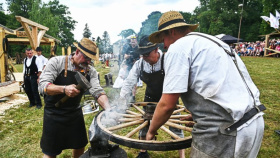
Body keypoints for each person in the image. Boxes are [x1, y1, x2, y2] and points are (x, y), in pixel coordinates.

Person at [146, 11, 265, 158]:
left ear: (172, 31)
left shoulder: (178, 47)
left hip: (224, 131)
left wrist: (151, 131)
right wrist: (202, 112)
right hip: (254, 122)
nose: (164, 45)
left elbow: (167, 105)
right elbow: (221, 83)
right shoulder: (213, 42)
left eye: (163, 39)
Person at [38, 38, 111, 158]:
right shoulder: (57, 62)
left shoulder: (90, 71)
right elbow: (43, 86)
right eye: (86, 58)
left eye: (90, 59)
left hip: (74, 113)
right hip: (54, 113)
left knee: (79, 145)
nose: (88, 62)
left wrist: (108, 109)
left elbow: (97, 91)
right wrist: (64, 89)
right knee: (50, 151)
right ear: (77, 52)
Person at [120, 35, 185, 158]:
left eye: (147, 54)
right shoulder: (140, 64)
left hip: (169, 98)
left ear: (156, 50)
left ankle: (182, 156)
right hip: (150, 98)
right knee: (145, 125)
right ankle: (143, 152)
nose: (144, 57)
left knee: (177, 128)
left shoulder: (167, 60)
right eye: (142, 54)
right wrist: (122, 98)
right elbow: (129, 81)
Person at [121, 35, 140, 102]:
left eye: (134, 41)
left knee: (134, 81)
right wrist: (128, 56)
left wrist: (136, 60)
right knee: (127, 79)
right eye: (132, 41)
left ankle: (133, 96)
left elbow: (140, 57)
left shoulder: (138, 48)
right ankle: (128, 94)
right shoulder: (128, 48)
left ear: (136, 41)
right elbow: (125, 56)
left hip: (135, 66)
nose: (133, 43)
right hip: (129, 65)